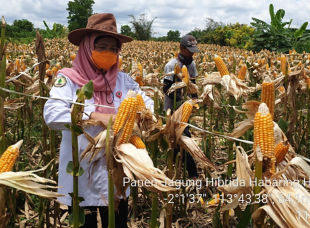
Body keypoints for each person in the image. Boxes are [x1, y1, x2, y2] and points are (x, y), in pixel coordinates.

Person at [44, 13, 153, 228]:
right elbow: (52, 115)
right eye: (102, 47)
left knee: (118, 222)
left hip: (118, 168)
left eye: (114, 49)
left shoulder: (125, 80)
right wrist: (92, 115)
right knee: (86, 224)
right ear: (87, 47)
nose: (109, 53)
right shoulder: (67, 79)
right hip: (81, 171)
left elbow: (146, 102)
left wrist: (143, 114)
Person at [163, 34, 199, 178]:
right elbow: (165, 88)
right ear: (181, 48)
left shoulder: (192, 64)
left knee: (183, 139)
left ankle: (185, 171)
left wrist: (194, 100)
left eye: (194, 50)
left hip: (186, 109)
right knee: (182, 139)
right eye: (190, 50)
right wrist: (180, 98)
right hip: (172, 110)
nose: (192, 53)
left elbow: (193, 84)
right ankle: (191, 174)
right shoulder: (171, 65)